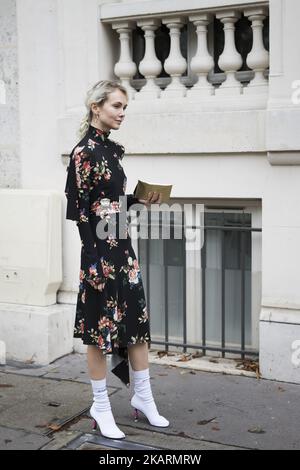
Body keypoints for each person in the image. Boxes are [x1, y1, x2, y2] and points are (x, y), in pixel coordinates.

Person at [64, 80, 169, 439]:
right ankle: (101, 406)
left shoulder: (111, 150)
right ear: (97, 107)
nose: (122, 113)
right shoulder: (83, 152)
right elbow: (80, 211)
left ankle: (143, 398)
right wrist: (92, 261)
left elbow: (110, 205)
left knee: (136, 326)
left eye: (125, 107)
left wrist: (140, 200)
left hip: (123, 249)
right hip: (99, 254)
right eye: (117, 106)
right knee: (98, 333)